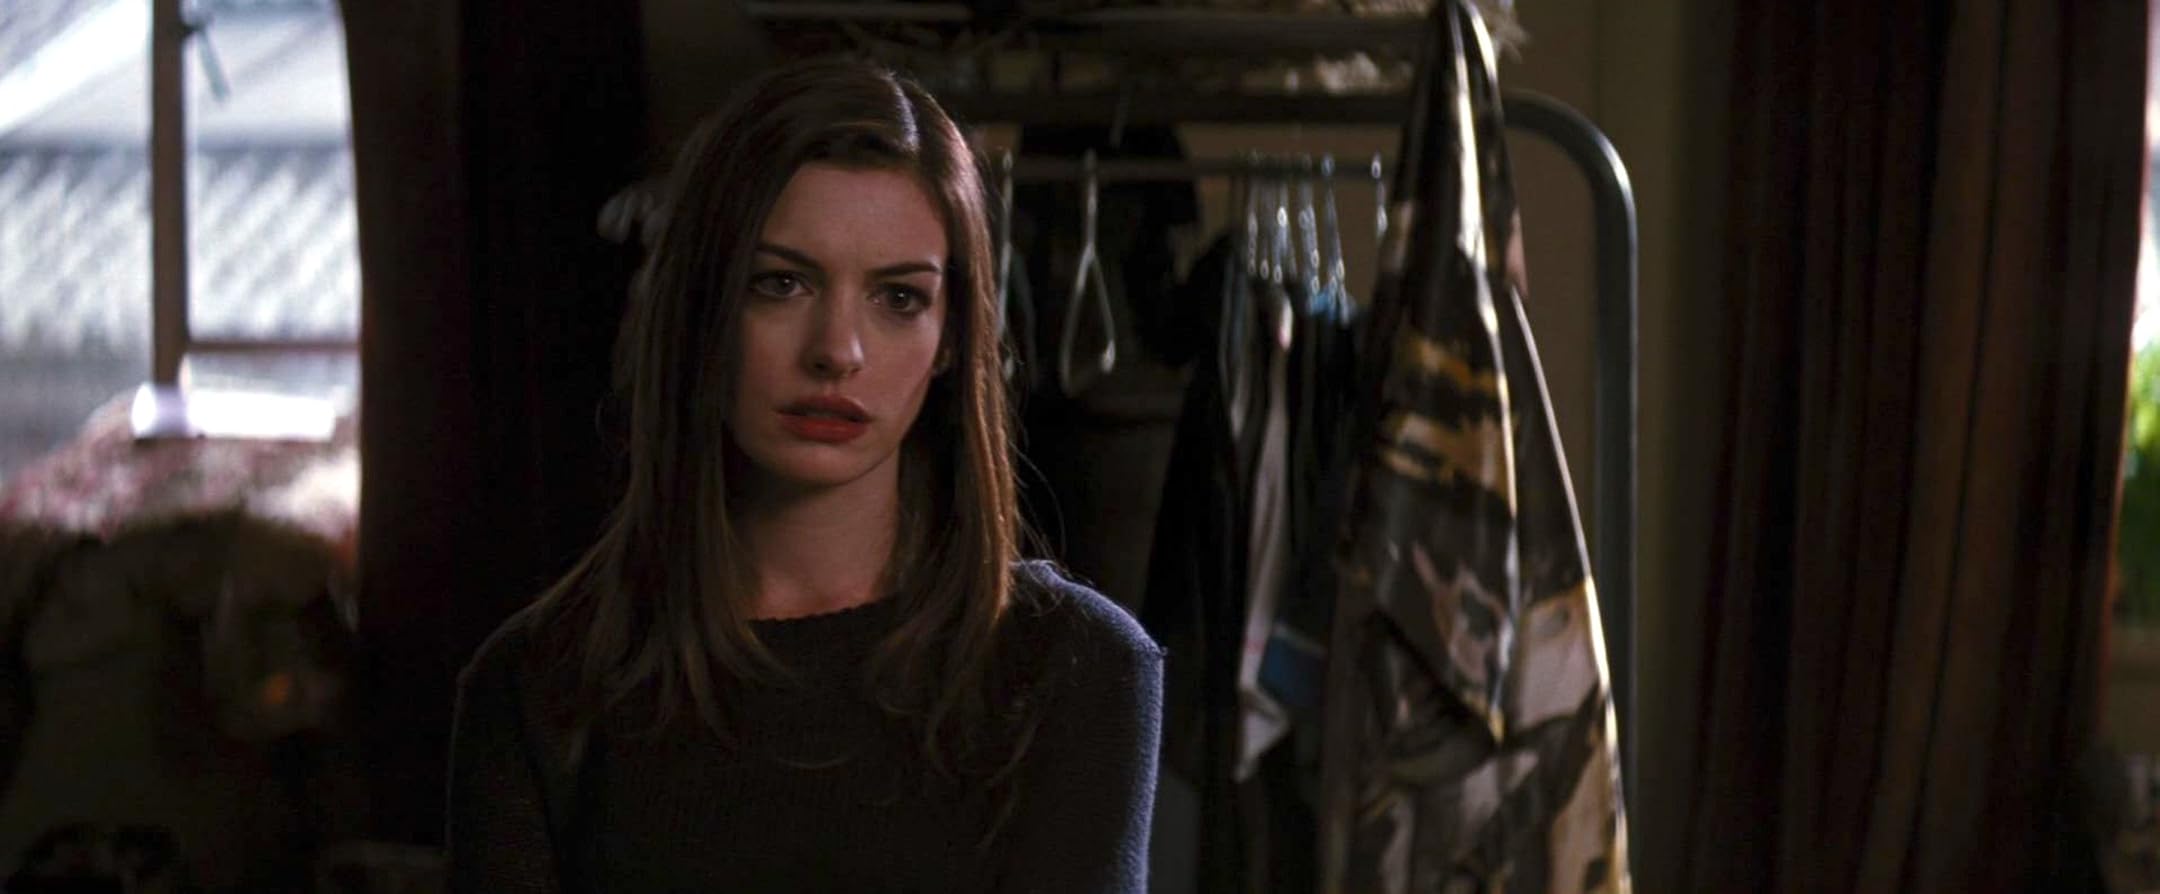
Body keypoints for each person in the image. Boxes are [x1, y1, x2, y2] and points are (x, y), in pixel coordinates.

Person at [445, 57, 1164, 893]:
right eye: (780, 283)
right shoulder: (540, 684)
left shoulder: (1072, 668)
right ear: (702, 307)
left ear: (950, 339)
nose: (837, 350)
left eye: (899, 298)